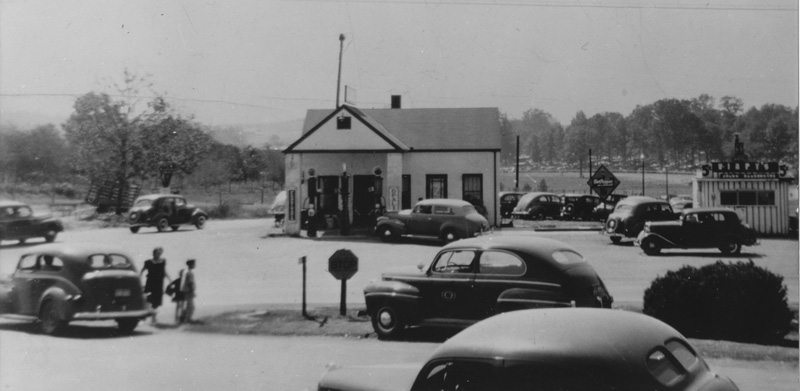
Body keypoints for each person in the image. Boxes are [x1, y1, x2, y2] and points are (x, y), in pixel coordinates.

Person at [140, 247, 171, 324]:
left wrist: (169, 279)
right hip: (150, 283)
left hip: (159, 283)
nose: (159, 255)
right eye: (157, 253)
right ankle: (145, 315)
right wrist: (140, 279)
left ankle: (154, 317)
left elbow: (164, 271)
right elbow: (142, 271)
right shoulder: (148, 262)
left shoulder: (163, 261)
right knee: (149, 299)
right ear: (153, 254)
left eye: (160, 253)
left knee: (156, 301)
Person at [181, 259, 197, 324]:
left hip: (186, 291)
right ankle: (188, 319)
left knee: (189, 305)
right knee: (191, 306)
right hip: (189, 291)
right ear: (191, 265)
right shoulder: (190, 273)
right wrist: (192, 291)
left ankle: (184, 318)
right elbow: (190, 283)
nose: (195, 265)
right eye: (194, 264)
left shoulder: (188, 272)